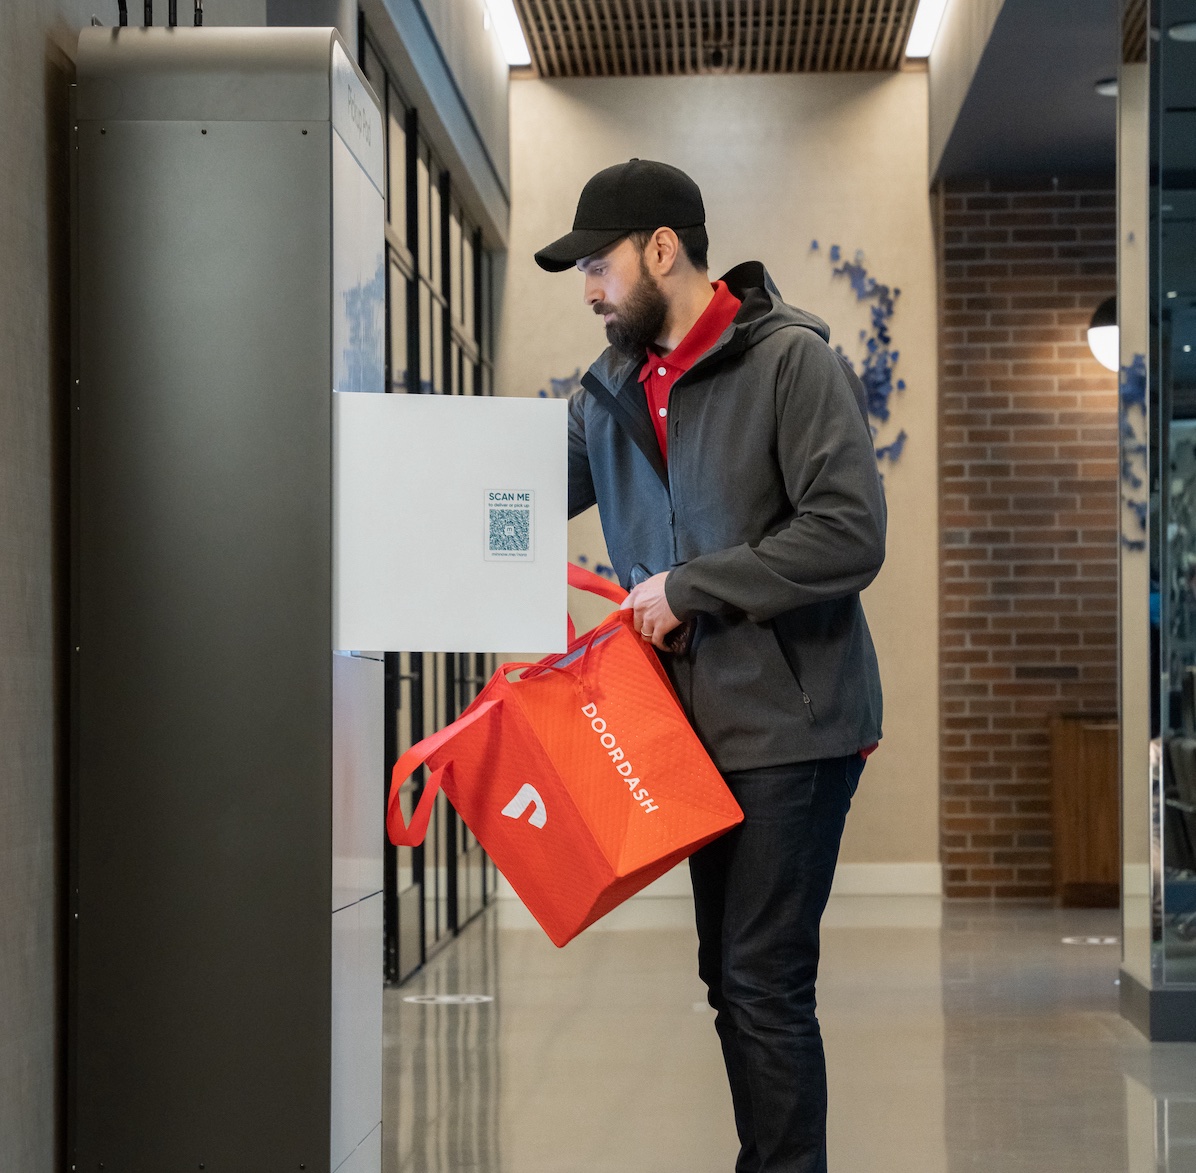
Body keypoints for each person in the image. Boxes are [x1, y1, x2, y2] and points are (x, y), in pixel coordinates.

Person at [534, 158, 886, 1173]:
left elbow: (847, 534)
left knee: (763, 975)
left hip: (795, 721)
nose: (589, 289)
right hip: (688, 733)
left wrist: (688, 587)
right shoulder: (608, 392)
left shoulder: (789, 364)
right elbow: (504, 494)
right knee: (726, 976)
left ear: (660, 250)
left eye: (596, 265)